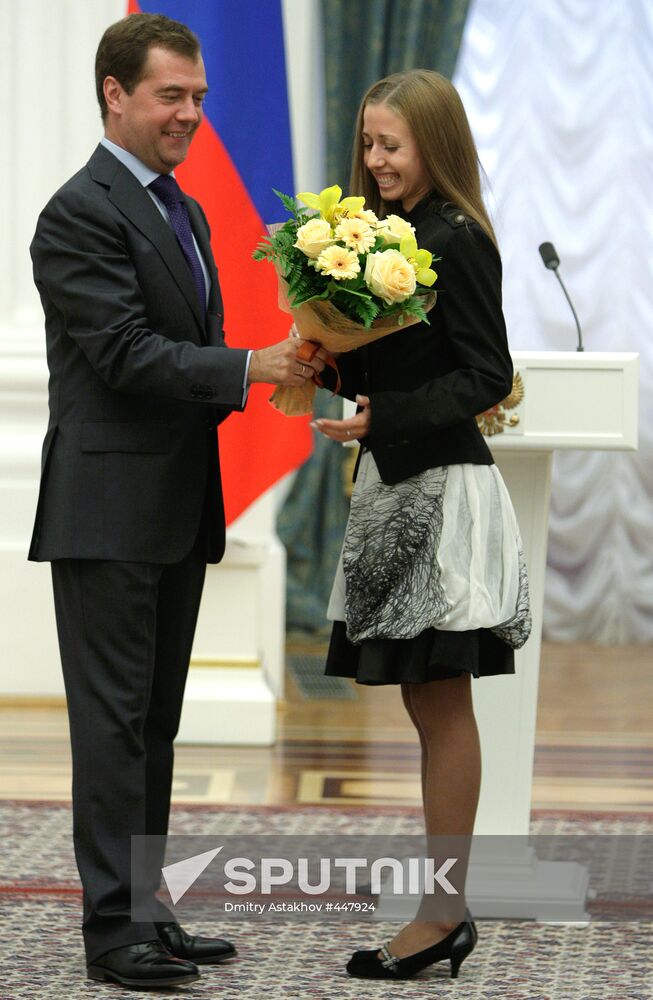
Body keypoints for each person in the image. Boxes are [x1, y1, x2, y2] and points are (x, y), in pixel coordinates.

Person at [29, 12, 326, 990]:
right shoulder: (76, 213)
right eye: (172, 96)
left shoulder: (185, 210)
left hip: (171, 505)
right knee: (110, 728)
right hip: (106, 509)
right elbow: (123, 356)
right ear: (115, 94)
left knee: (152, 725)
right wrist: (251, 366)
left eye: (199, 98)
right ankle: (113, 934)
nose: (192, 114)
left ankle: (149, 909)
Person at [313, 69, 531, 981]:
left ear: (432, 144)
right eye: (367, 144)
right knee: (423, 703)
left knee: (443, 705)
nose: (374, 161)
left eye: (390, 145)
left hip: (442, 495)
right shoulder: (385, 239)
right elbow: (400, 370)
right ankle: (441, 908)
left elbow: (487, 373)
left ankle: (442, 915)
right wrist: (327, 367)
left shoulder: (459, 238)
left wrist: (384, 416)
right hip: (396, 487)